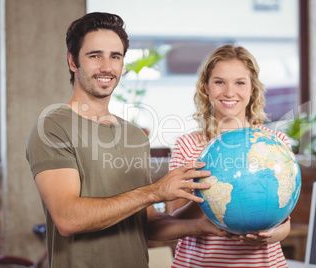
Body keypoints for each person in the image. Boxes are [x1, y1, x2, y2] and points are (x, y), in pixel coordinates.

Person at [26, 12, 231, 268]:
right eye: (94, 55)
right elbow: (68, 219)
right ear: (72, 61)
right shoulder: (53, 127)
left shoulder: (135, 136)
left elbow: (146, 224)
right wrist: (155, 191)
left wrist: (201, 226)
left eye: (115, 56)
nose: (106, 67)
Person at [169, 44, 292, 267]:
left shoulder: (276, 145)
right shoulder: (187, 146)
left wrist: (266, 236)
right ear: (206, 87)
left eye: (240, 83)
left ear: (253, 88)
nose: (229, 92)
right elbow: (173, 222)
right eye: (219, 82)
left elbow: (284, 224)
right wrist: (207, 193)